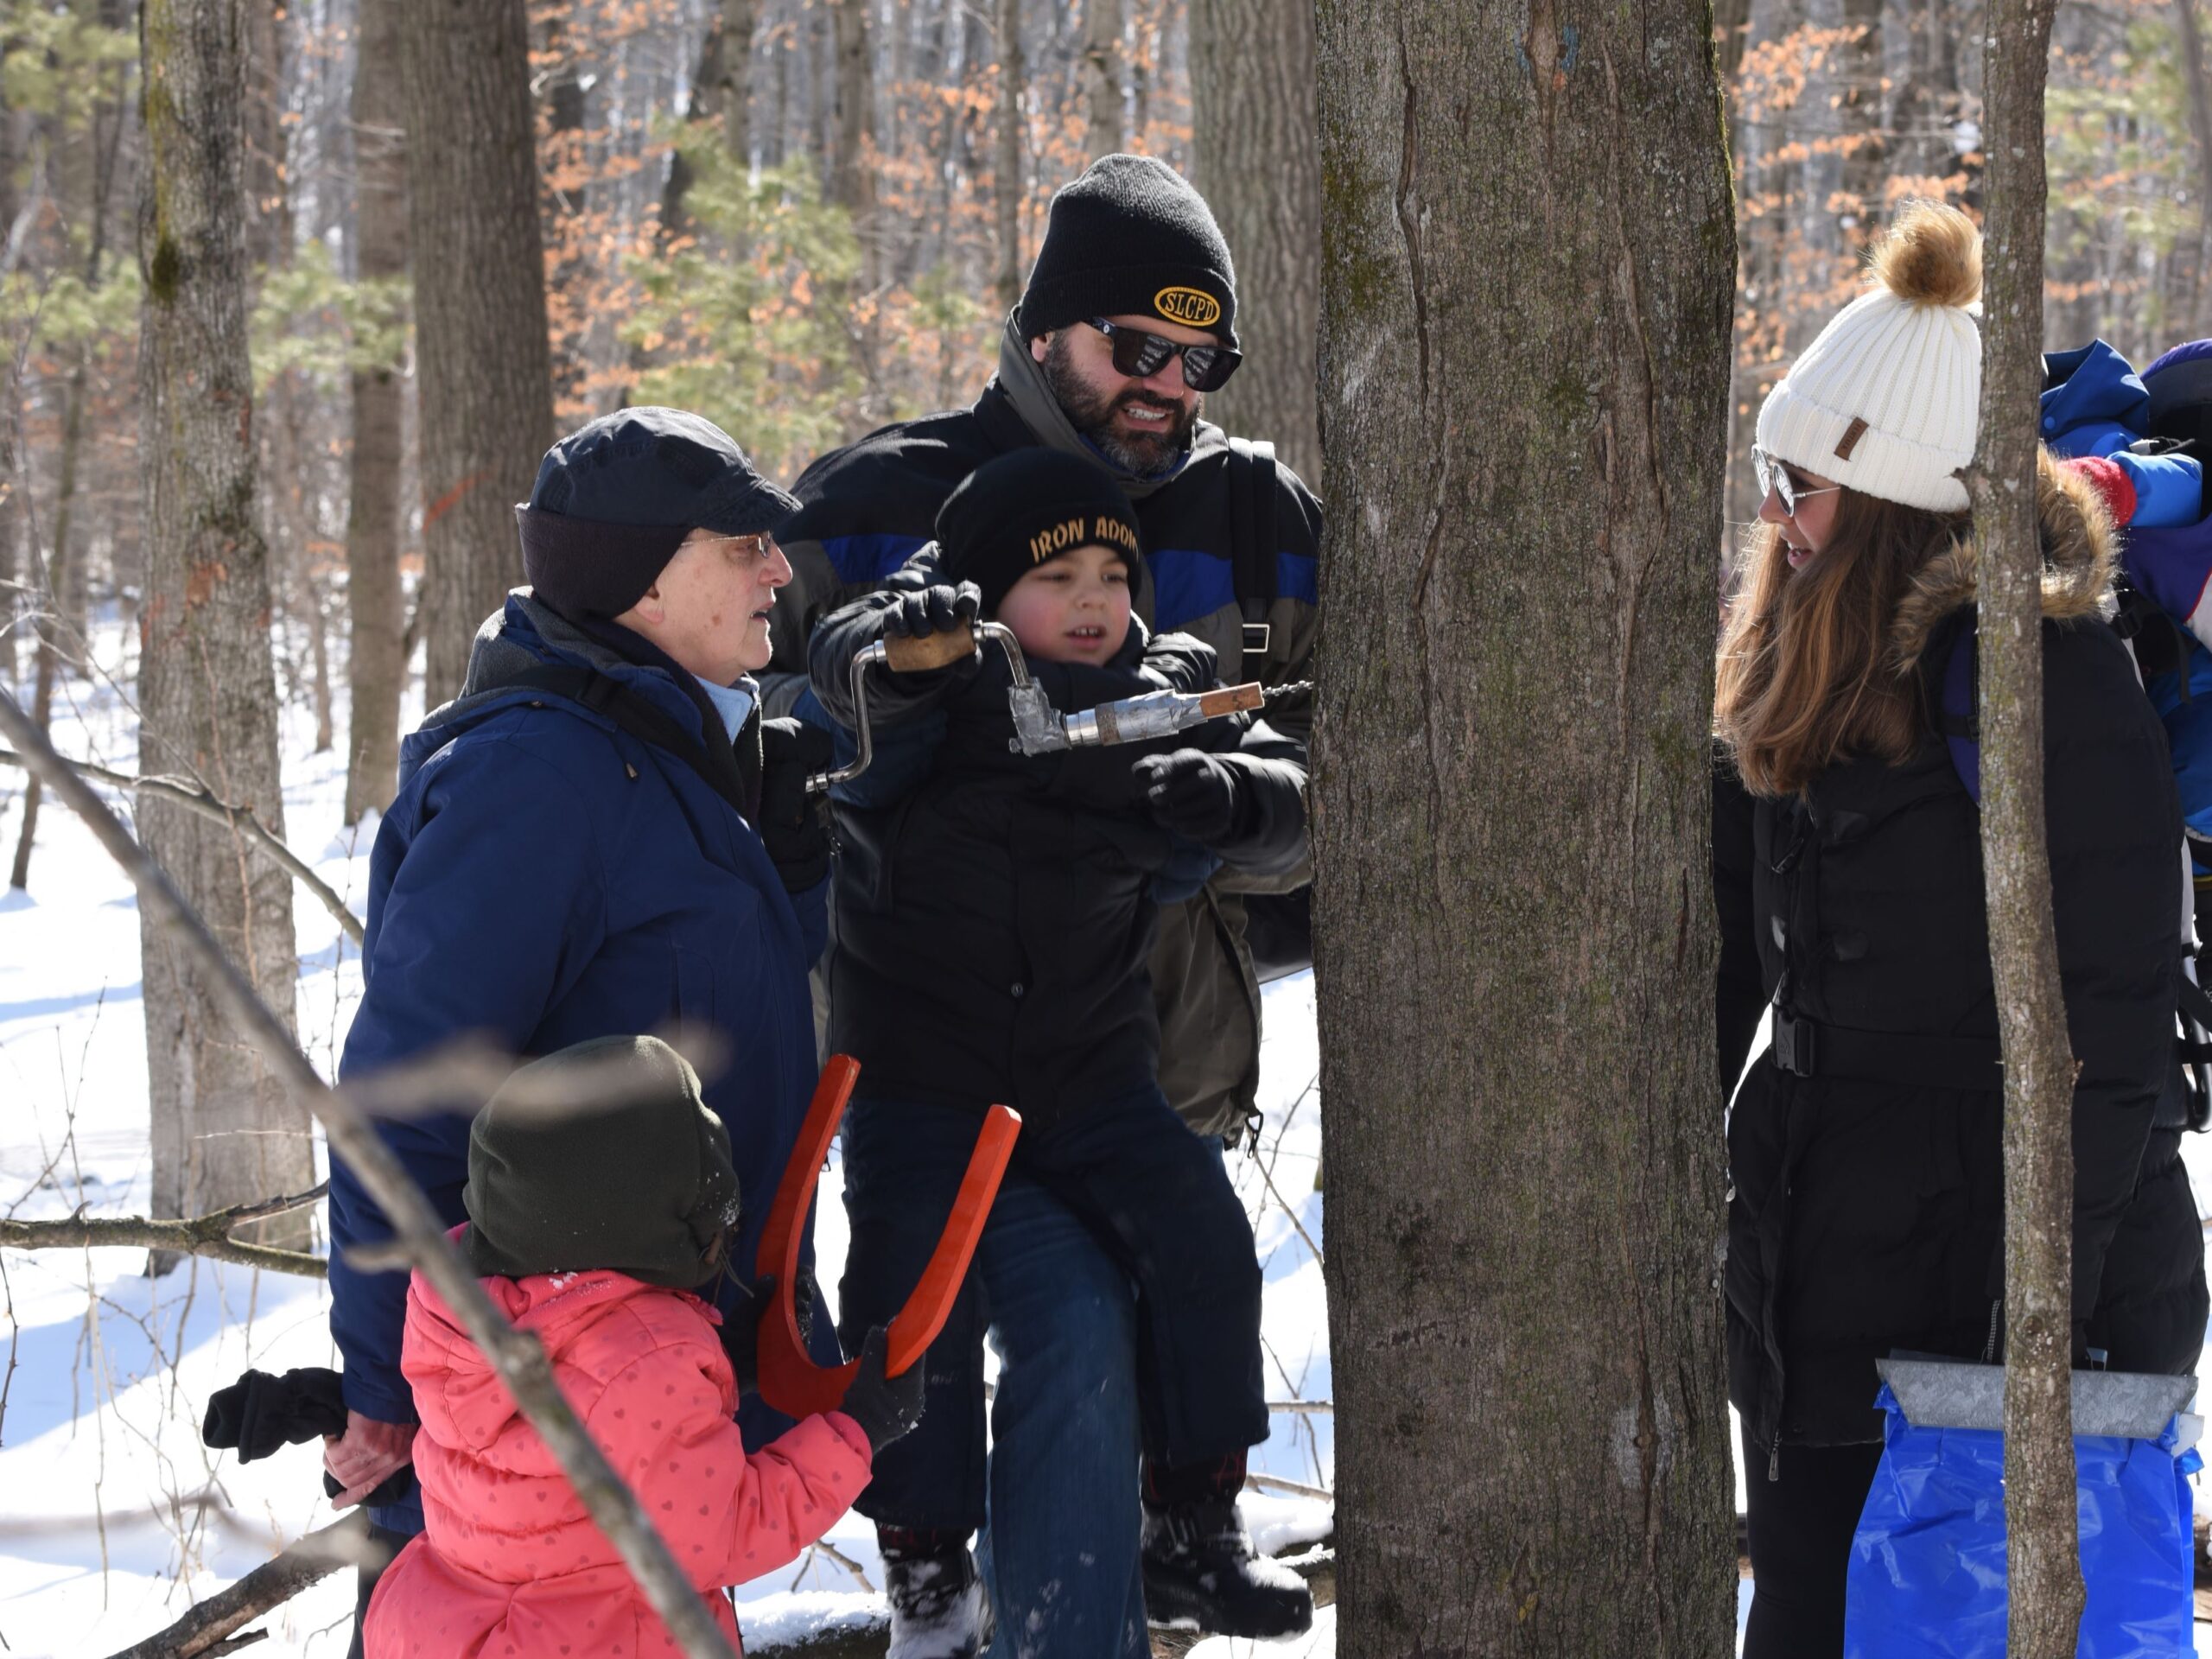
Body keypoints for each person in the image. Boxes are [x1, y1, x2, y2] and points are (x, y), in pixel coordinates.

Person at [1712, 202, 2209, 1658]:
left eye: (1794, 482)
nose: (1771, 514)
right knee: (1807, 1613)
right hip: (1819, 1253)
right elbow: (1739, 960)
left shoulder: (2042, 677)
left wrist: (2037, 1309)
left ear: (1888, 502)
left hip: (2015, 1273)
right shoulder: (1796, 669)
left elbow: (2114, 1017)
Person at [324, 408, 841, 1653]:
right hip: (514, 1419)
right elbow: (407, 1094)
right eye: (745, 544)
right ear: (648, 577)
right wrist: (390, 1393)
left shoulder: (677, 748)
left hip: (642, 1386)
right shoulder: (540, 779)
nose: (779, 568)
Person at [808, 449, 1313, 1656]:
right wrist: (906, 656)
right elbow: (848, 682)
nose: (1093, 599)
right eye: (1058, 578)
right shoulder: (930, 705)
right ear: (986, 600)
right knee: (907, 1301)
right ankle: (927, 1565)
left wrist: (1230, 800)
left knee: (1199, 1237)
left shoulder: (1145, 699)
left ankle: (1191, 1516)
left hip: (1093, 1083)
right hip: (923, 1086)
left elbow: (1285, 788)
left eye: (1112, 574)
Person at [770, 150, 1320, 1148]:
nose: (1164, 385)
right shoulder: (871, 501)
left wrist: (1209, 815)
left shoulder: (1261, 522)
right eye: (1133, 348)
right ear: (1042, 333)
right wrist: (890, 715)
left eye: (1199, 361)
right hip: (918, 1101)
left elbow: (1357, 790)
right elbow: (744, 753)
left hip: (1162, 1113)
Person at [363, 1035, 925, 1659]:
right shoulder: (649, 1356)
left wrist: (729, 1367)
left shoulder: (461, 1320)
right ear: (644, 1223)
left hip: (457, 1631)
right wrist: (858, 1433)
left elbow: (587, 1428)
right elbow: (725, 1534)